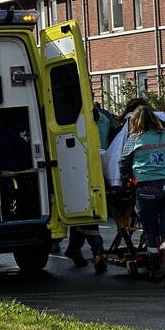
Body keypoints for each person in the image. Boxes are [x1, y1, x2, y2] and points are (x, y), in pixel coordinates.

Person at [119, 105, 165, 285]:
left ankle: (155, 268)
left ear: (135, 121)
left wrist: (125, 180)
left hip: (147, 190)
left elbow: (123, 162)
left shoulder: (134, 139)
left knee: (151, 230)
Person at [66, 103, 115, 271]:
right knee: (87, 213)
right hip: (99, 166)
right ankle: (93, 249)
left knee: (85, 213)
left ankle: (80, 249)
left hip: (82, 166)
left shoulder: (71, 113)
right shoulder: (106, 116)